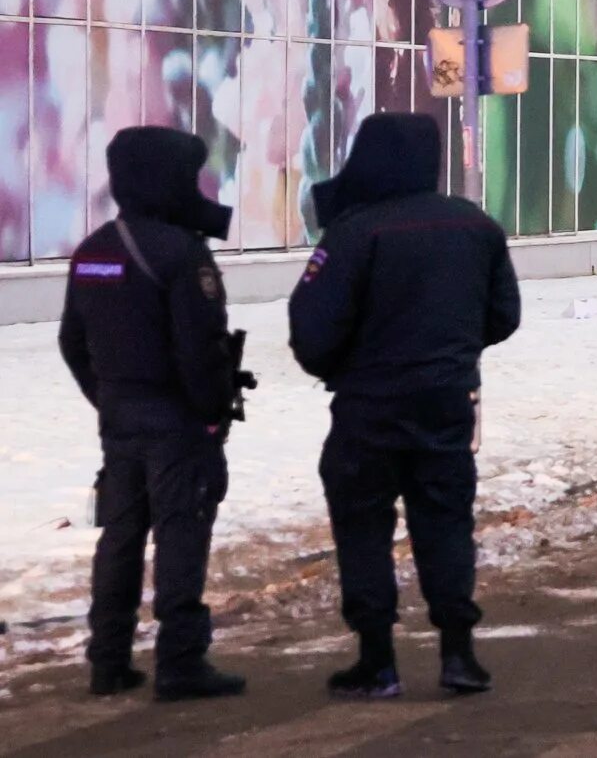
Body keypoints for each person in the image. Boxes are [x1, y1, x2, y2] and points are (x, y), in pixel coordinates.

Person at [289, 113, 521, 700]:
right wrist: (452, 352)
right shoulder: (477, 227)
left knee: (363, 525)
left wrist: (345, 366)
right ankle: (459, 655)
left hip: (368, 407)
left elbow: (312, 330)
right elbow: (504, 316)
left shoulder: (353, 232)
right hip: (447, 403)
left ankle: (377, 660)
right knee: (445, 521)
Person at [58, 127, 250, 702]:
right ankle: (181, 661)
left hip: (119, 417)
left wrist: (110, 397)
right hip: (177, 422)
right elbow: (199, 351)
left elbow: (72, 342)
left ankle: (109, 660)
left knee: (119, 537)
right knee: (180, 533)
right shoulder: (181, 253)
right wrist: (212, 414)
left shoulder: (93, 249)